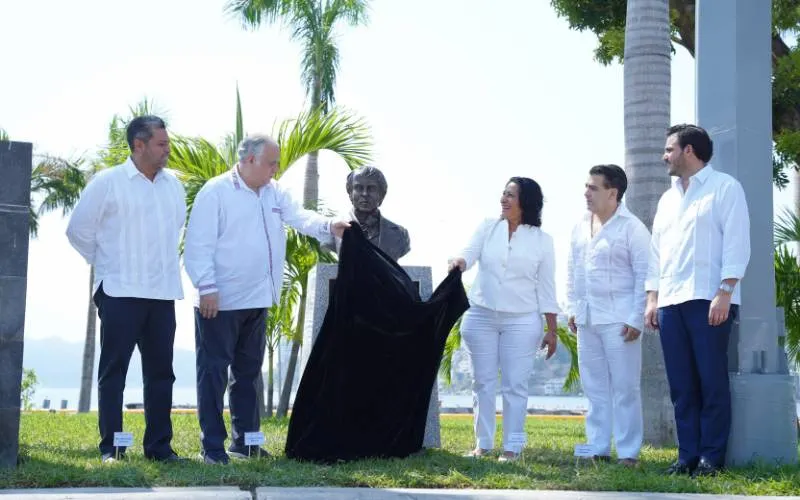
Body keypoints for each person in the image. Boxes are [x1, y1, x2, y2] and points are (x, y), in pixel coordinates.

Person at [183, 134, 350, 465]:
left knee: (247, 374)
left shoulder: (275, 193)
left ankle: (245, 442)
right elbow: (197, 245)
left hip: (258, 299)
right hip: (219, 300)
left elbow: (301, 218)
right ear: (248, 161)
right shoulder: (216, 192)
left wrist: (331, 226)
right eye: (271, 162)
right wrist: (206, 288)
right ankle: (212, 447)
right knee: (213, 374)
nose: (276, 168)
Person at [66, 115, 186, 463]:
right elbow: (78, 231)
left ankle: (160, 448)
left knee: (162, 373)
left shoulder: (173, 186)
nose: (168, 149)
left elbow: (175, 229)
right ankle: (113, 448)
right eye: (162, 144)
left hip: (162, 294)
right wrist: (109, 264)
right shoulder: (108, 182)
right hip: (119, 292)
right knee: (114, 372)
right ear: (139, 145)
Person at [645, 124, 751, 477]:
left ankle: (711, 457)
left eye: (669, 149)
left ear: (689, 151)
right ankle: (686, 454)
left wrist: (725, 292)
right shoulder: (667, 199)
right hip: (671, 302)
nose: (665, 156)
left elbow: (737, 243)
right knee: (681, 384)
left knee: (711, 381)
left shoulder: (725, 188)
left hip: (709, 299)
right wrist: (652, 298)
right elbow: (656, 253)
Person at [448, 176, 559, 462]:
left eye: (511, 195)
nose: (504, 199)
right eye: (503, 193)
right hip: (481, 316)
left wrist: (552, 330)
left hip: (522, 321)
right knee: (482, 382)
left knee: (515, 386)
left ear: (526, 202)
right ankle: (482, 445)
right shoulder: (487, 227)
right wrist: (459, 262)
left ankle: (513, 448)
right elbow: (469, 253)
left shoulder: (543, 241)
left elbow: (547, 288)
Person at [566, 164, 650, 467]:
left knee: (626, 388)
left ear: (613, 192)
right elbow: (572, 270)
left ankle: (628, 453)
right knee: (594, 387)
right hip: (587, 319)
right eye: (587, 186)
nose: (586, 193)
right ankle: (597, 447)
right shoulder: (579, 225)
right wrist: (573, 308)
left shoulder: (633, 228)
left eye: (593, 187)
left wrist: (636, 318)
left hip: (620, 320)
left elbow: (645, 275)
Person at [324, 165, 410, 262]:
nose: (365, 194)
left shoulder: (400, 234)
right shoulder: (332, 230)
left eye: (371, 188)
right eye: (359, 188)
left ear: (382, 194)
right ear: (350, 193)